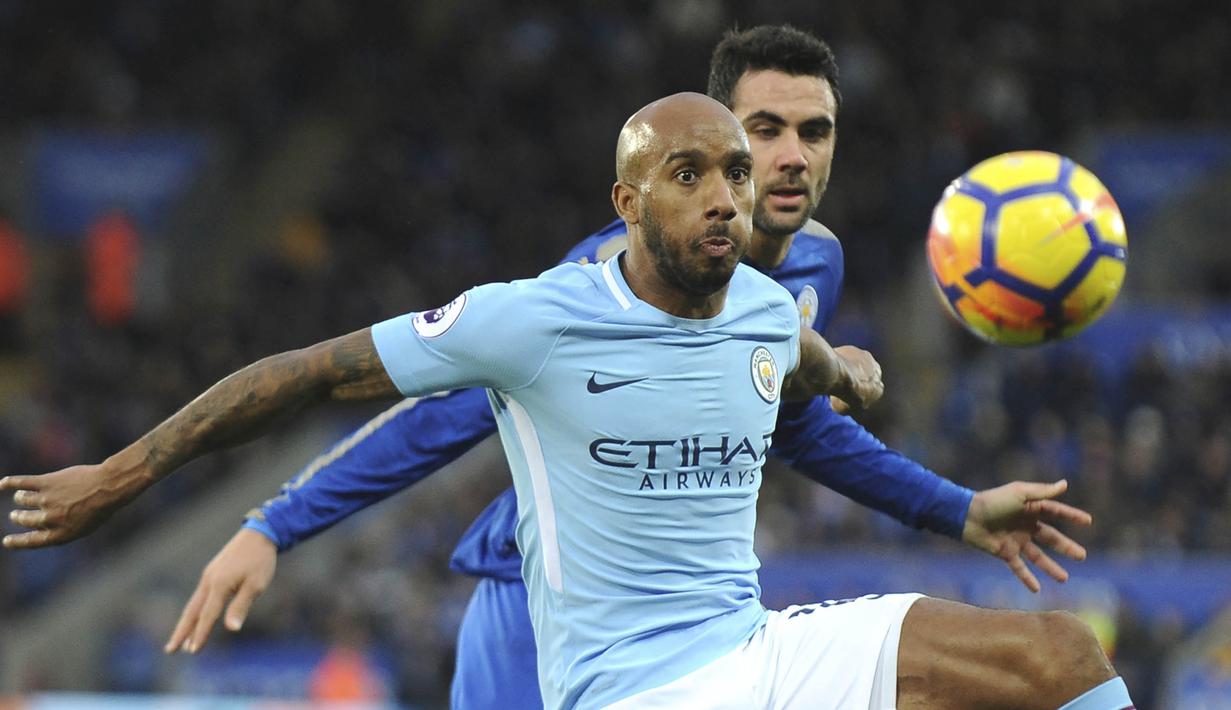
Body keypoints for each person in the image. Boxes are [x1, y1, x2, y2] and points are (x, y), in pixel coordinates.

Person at [4, 91, 1131, 709]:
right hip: (632, 691)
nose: (724, 199)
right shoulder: (533, 318)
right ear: (625, 201)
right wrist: (126, 476)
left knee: (1062, 662)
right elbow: (294, 377)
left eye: (734, 175)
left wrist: (859, 383)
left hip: (757, 650)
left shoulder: (759, 307)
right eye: (688, 176)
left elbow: (807, 378)